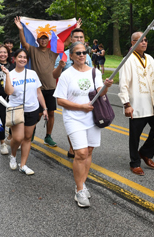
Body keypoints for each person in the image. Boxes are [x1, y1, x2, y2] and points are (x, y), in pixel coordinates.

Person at [54, 42, 112, 207]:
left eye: (84, 52)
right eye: (77, 53)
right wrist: (81, 107)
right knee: (80, 153)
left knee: (89, 151)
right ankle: (79, 190)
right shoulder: (66, 75)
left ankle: (82, 183)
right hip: (74, 118)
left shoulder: (94, 72)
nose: (81, 55)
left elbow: (101, 92)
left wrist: (106, 87)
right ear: (71, 56)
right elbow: (60, 100)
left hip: (92, 118)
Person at [119, 32, 154, 176]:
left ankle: (145, 153)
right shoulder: (127, 60)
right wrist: (126, 104)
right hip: (137, 105)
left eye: (145, 40)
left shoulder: (150, 58)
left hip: (152, 103)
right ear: (133, 43)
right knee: (135, 136)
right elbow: (123, 84)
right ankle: (135, 163)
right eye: (140, 40)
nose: (143, 43)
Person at [14, 16, 59, 147]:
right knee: (38, 114)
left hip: (51, 87)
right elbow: (23, 42)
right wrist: (21, 29)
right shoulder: (33, 50)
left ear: (48, 40)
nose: (43, 40)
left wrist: (75, 28)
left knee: (51, 113)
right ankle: (31, 130)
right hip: (37, 89)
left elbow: (66, 43)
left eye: (45, 38)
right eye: (41, 38)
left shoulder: (53, 52)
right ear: (38, 40)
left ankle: (48, 136)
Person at [3, 48, 48, 175]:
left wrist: (44, 108)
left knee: (28, 138)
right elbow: (9, 92)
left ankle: (23, 165)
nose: (22, 59)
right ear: (15, 59)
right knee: (18, 138)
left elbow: (38, 92)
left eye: (24, 57)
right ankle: (12, 155)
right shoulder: (10, 74)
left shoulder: (32, 73)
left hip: (32, 109)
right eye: (20, 57)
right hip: (17, 109)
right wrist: (7, 75)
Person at [53, 27, 93, 158]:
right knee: (74, 126)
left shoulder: (86, 55)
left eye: (81, 37)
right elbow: (54, 75)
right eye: (76, 37)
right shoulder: (63, 55)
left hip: (85, 96)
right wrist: (60, 66)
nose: (79, 39)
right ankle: (74, 148)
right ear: (71, 39)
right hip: (70, 98)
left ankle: (78, 149)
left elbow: (91, 74)